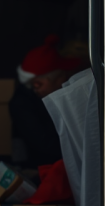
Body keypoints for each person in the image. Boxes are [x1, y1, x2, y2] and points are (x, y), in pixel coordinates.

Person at [9, 34, 82, 168]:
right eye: (36, 85)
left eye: (63, 77)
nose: (63, 82)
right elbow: (45, 146)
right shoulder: (22, 104)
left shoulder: (65, 94)